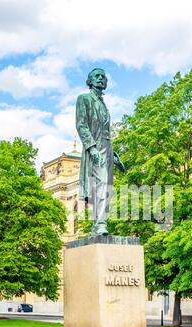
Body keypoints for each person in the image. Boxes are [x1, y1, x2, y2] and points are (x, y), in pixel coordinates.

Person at [76, 68, 124, 235]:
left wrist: (113, 153)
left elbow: (105, 132)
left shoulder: (103, 104)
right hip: (95, 149)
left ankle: (98, 225)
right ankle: (101, 223)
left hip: (107, 149)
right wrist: (92, 147)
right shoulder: (84, 99)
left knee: (105, 188)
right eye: (96, 76)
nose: (100, 79)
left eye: (103, 77)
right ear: (90, 80)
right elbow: (81, 125)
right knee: (101, 185)